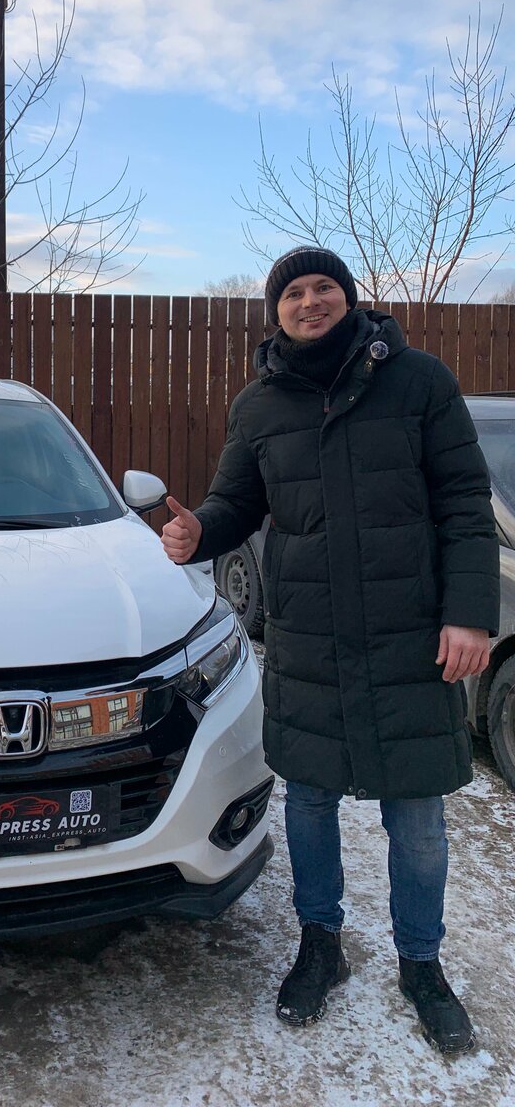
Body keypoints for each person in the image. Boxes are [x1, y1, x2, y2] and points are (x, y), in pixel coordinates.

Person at [161, 246, 498, 1055]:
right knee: (309, 803)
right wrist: (200, 530)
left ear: (348, 299)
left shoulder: (419, 383)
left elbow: (463, 501)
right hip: (308, 637)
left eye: (324, 289)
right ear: (275, 311)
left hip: (408, 636)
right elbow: (237, 501)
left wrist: (469, 615)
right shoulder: (258, 404)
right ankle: (321, 946)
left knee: (416, 814)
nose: (310, 302)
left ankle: (422, 964)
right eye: (294, 294)